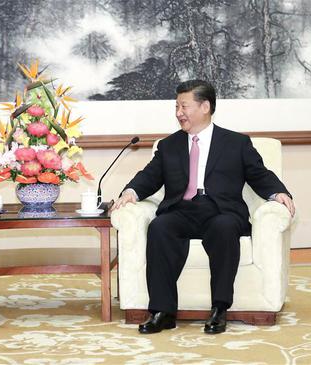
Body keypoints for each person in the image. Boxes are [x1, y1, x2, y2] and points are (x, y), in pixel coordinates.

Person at [112, 80, 295, 335]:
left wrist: (278, 193)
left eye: (184, 106)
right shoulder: (169, 145)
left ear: (205, 106)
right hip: (182, 210)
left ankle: (219, 309)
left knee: (224, 228)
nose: (178, 113)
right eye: (176, 106)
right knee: (159, 228)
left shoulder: (236, 143)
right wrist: (130, 192)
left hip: (221, 211)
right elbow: (149, 176)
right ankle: (162, 311)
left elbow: (259, 174)